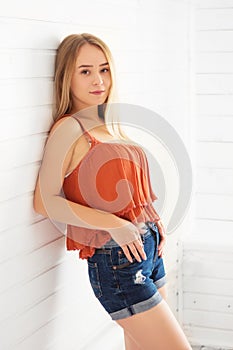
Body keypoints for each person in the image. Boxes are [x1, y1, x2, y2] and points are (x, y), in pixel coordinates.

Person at [33, 33, 192, 350]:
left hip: (148, 253)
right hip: (119, 261)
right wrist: (115, 224)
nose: (98, 80)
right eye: (85, 71)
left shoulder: (106, 123)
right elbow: (43, 201)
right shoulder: (70, 128)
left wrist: (151, 221)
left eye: (104, 69)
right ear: (67, 76)